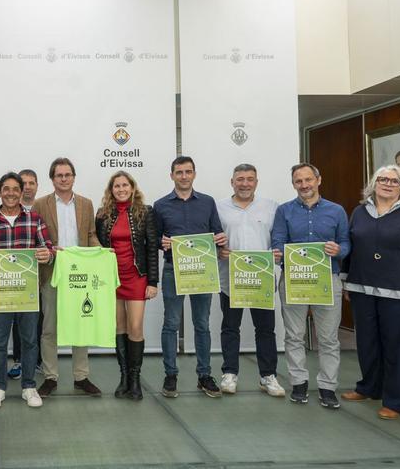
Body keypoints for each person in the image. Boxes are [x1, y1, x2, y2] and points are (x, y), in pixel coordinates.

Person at [341, 165, 400, 419]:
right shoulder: (360, 212)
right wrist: (346, 280)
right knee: (367, 344)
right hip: (361, 289)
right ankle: (369, 388)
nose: (387, 183)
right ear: (373, 183)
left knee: (399, 348)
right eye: (382, 179)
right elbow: (352, 246)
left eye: (394, 181)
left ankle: (396, 402)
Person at [271, 162, 349, 409]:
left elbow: (347, 243)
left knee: (328, 338)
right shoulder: (284, 211)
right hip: (294, 279)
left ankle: (328, 387)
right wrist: (281, 252)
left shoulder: (336, 211)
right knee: (294, 336)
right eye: (298, 181)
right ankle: (299, 384)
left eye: (308, 180)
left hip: (328, 279)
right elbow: (278, 241)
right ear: (293, 184)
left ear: (318, 180)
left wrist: (339, 250)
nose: (304, 185)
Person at [153, 156, 227, 399]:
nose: (184, 176)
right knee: (171, 324)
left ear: (194, 174)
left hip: (203, 270)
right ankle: (170, 374)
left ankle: (204, 375)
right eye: (179, 172)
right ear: (171, 175)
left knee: (202, 324)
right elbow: (153, 239)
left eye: (188, 172)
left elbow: (217, 232)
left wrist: (220, 239)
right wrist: (160, 242)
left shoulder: (207, 202)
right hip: (173, 270)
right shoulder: (161, 205)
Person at [0, 172, 54, 409]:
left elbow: (48, 250)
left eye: (15, 189)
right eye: (6, 188)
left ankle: (29, 386)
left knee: (30, 341)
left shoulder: (35, 219)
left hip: (27, 292)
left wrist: (47, 254)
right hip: (0, 291)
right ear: (0, 191)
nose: (10, 193)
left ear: (22, 193)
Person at [32, 158, 102, 398]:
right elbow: (36, 239)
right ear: (52, 179)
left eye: (67, 174)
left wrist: (101, 252)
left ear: (73, 177)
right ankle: (51, 377)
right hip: (52, 273)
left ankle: (81, 376)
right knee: (50, 328)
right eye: (59, 175)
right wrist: (50, 250)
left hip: (81, 275)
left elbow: (91, 235)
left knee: (81, 325)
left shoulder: (86, 203)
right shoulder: (40, 205)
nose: (63, 178)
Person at [216, 164, 285, 398]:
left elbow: (279, 236)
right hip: (230, 278)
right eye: (240, 179)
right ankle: (229, 374)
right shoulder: (219, 208)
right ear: (232, 181)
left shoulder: (271, 207)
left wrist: (277, 250)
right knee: (230, 328)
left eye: (250, 179)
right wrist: (219, 250)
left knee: (265, 329)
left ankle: (268, 376)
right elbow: (213, 238)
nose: (245, 183)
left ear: (257, 181)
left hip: (261, 279)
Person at [95, 171, 159, 401]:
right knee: (119, 328)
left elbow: (152, 248)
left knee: (135, 328)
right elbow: (98, 247)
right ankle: (123, 378)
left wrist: (153, 281)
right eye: (116, 186)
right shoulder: (103, 214)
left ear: (132, 187)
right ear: (111, 190)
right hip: (112, 279)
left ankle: (135, 379)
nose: (121, 189)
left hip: (136, 276)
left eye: (124, 185)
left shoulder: (146, 212)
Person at [8, 168, 40, 380]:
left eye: (31, 183)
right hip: (14, 275)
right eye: (24, 183)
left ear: (37, 186)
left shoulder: (44, 207)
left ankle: (37, 361)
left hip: (39, 272)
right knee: (17, 321)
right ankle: (19, 361)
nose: (27, 187)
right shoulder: (7, 208)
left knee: (39, 320)